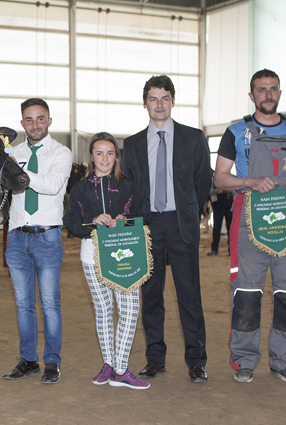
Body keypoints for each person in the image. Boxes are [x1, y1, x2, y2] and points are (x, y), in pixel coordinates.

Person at [213, 69, 286, 384]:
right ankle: (244, 361)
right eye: (261, 89)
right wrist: (250, 181)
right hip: (248, 215)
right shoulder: (236, 131)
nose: (268, 94)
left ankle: (284, 361)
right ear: (252, 96)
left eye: (273, 88)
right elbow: (220, 177)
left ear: (279, 93)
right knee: (247, 291)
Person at [123, 75, 211, 383]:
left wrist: (187, 209)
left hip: (181, 224)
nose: (159, 104)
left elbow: (203, 183)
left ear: (172, 101)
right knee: (152, 296)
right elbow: (131, 188)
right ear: (144, 103)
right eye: (153, 98)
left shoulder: (193, 138)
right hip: (148, 226)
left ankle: (196, 361)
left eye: (164, 98)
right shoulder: (132, 144)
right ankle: (155, 359)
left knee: (189, 296)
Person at [64, 132, 148, 389]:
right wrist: (93, 223)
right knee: (103, 311)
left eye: (110, 153)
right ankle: (110, 364)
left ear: (116, 156)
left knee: (130, 310)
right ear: (91, 156)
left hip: (126, 255)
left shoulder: (129, 185)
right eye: (99, 153)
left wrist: (126, 219)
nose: (105, 158)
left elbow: (143, 214)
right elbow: (71, 224)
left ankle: (120, 368)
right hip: (92, 255)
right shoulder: (79, 188)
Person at [1, 98, 73, 384]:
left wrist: (13, 172)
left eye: (40, 118)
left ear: (49, 121)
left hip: (48, 236)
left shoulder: (61, 153)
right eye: (29, 120)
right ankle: (28, 360)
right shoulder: (11, 153)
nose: (35, 125)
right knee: (23, 304)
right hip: (17, 237)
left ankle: (52, 362)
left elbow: (51, 184)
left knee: (50, 303)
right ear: (22, 124)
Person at [207, 184, 233, 256]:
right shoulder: (214, 181)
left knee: (231, 230)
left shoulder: (232, 178)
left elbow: (237, 191)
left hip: (229, 208)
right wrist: (221, 191)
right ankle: (214, 250)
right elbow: (209, 192)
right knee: (216, 229)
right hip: (218, 207)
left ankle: (232, 250)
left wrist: (230, 191)